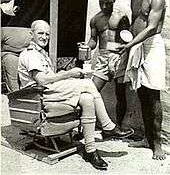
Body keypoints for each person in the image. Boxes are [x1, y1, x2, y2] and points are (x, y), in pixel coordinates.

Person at [18, 20, 134, 170]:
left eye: (47, 34)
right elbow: (42, 80)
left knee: (87, 98)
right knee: (87, 84)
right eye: (40, 33)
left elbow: (49, 78)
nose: (44, 37)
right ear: (31, 34)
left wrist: (65, 75)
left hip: (50, 93)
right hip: (38, 97)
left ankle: (90, 150)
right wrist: (67, 74)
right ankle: (108, 126)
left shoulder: (41, 54)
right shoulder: (31, 54)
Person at [116, 0, 166, 160]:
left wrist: (130, 44)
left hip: (152, 46)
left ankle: (158, 144)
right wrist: (126, 39)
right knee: (142, 94)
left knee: (153, 95)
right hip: (136, 46)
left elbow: (152, 27)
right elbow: (135, 24)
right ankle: (147, 138)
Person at [87, 0, 133, 131]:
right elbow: (93, 40)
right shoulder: (95, 20)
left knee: (120, 94)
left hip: (119, 56)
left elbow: (127, 38)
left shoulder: (121, 16)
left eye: (108, 2)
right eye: (102, 2)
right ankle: (89, 125)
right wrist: (86, 47)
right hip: (102, 57)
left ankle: (118, 127)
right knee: (91, 92)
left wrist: (122, 53)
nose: (105, 5)